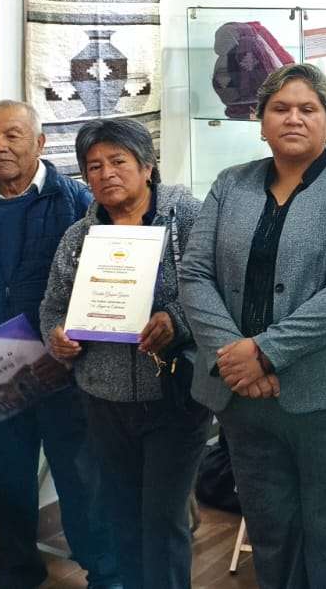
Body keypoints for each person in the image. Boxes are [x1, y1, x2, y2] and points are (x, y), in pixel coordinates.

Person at [179, 64, 326, 587]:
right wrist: (234, 355)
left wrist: (265, 353)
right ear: (261, 122)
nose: (293, 118)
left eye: (307, 109)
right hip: (243, 398)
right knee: (271, 534)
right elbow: (195, 273)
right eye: (280, 108)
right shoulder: (231, 184)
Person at [0, 101, 117, 589]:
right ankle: (16, 570)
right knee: (7, 481)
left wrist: (79, 344)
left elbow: (105, 280)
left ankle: (105, 573)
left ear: (39, 143)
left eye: (12, 135)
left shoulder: (76, 201)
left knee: (82, 479)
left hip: (66, 372)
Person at [39, 119, 206, 589]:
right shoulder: (78, 237)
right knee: (121, 515)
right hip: (103, 399)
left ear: (147, 167)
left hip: (175, 395)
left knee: (163, 520)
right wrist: (56, 336)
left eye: (118, 161)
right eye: (94, 166)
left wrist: (176, 320)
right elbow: (53, 306)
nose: (106, 173)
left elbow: (218, 290)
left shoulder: (188, 218)